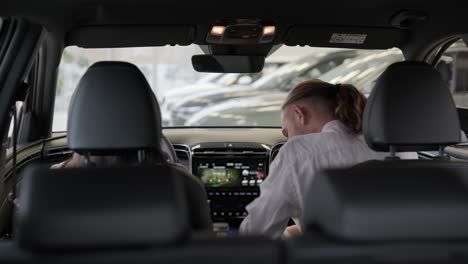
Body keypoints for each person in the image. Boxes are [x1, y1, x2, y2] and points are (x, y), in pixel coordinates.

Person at [239, 79, 414, 239]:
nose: (288, 137)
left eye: (286, 131)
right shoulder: (404, 151)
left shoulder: (299, 152)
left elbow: (256, 235)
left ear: (299, 114)